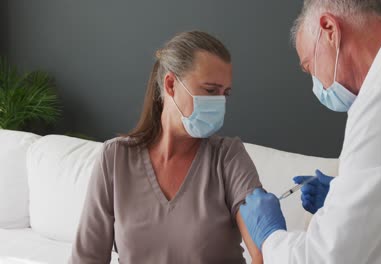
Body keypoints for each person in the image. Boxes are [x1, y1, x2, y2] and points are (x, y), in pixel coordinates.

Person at [240, 0, 381, 263]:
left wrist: (269, 235)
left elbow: (327, 259)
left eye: (309, 66)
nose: (316, 84)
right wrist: (346, 197)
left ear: (329, 30)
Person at [69, 31, 263, 264]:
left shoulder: (228, 157)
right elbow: (86, 258)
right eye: (210, 91)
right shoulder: (115, 158)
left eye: (225, 94)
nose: (219, 103)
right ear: (170, 84)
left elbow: (262, 252)